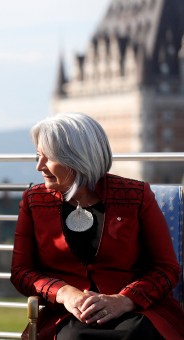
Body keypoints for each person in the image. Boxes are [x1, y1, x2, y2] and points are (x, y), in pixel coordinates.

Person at [10, 112, 184, 340]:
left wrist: (124, 300)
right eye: (37, 156)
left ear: (77, 158)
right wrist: (64, 293)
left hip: (138, 311)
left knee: (136, 334)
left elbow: (166, 269)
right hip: (69, 316)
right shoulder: (34, 201)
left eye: (48, 158)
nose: (39, 167)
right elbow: (22, 272)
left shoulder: (137, 195)